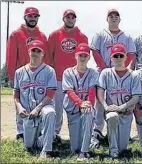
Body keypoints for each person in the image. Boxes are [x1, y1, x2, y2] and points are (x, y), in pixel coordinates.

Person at [90, 9, 136, 148]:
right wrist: (105, 68)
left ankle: (119, 131)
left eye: (116, 16)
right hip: (103, 72)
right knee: (100, 102)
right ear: (107, 19)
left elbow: (131, 54)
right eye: (111, 16)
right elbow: (94, 51)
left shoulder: (126, 36)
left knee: (120, 99)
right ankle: (97, 131)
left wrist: (121, 68)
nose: (114, 18)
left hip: (121, 73)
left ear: (119, 19)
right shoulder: (100, 34)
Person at [6, 6, 48, 141]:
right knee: (21, 103)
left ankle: (37, 130)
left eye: (35, 16)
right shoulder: (16, 34)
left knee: (38, 102)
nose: (33, 18)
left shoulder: (41, 36)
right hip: (22, 74)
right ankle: (20, 132)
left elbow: (44, 56)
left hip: (39, 73)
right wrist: (11, 74)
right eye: (30, 16)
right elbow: (11, 55)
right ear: (25, 17)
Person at [47, 9, 88, 143]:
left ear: (75, 19)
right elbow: (49, 57)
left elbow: (85, 56)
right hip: (58, 78)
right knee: (57, 109)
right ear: (63, 19)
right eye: (68, 17)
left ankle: (79, 135)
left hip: (76, 79)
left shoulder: (82, 36)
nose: (70, 19)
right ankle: (54, 134)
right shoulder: (54, 35)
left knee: (76, 108)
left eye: (72, 17)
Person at [13, 40, 57, 159]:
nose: (36, 53)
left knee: (50, 112)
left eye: (39, 51)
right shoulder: (19, 72)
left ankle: (47, 149)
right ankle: (47, 137)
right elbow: (16, 94)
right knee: (29, 146)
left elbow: (50, 94)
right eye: (33, 50)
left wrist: (38, 108)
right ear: (29, 52)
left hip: (43, 107)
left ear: (43, 54)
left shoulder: (49, 70)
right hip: (28, 112)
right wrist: (20, 108)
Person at [96, 44, 141, 158]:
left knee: (123, 149)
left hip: (126, 113)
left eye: (121, 55)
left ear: (126, 57)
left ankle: (115, 144)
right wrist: (106, 107)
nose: (119, 58)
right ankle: (112, 150)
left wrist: (121, 107)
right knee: (112, 117)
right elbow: (100, 92)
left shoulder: (134, 75)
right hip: (112, 111)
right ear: (111, 58)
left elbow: (136, 97)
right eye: (116, 56)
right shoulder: (106, 72)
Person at [61, 43, 98, 160]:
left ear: (89, 57)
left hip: (86, 107)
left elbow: (92, 92)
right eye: (80, 55)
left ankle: (84, 151)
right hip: (72, 109)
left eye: (85, 55)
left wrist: (88, 104)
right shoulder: (67, 72)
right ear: (75, 56)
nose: (82, 58)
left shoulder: (93, 73)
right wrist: (80, 102)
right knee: (74, 147)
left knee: (88, 113)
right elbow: (69, 91)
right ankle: (88, 142)